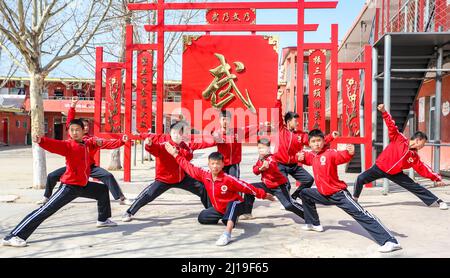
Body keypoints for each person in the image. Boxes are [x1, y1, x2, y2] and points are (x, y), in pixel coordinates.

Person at [2, 119, 118, 248]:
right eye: (71, 130)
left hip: (82, 185)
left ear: (83, 131)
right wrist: (41, 140)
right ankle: (14, 236)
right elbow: (54, 145)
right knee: (45, 210)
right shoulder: (69, 145)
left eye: (77, 130)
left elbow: (103, 143)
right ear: (68, 132)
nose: (74, 133)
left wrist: (120, 141)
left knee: (101, 190)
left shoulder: (86, 144)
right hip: (69, 187)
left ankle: (103, 220)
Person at [298, 129, 402, 253]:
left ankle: (390, 241)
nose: (316, 144)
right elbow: (305, 159)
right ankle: (314, 224)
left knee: (361, 214)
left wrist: (349, 153)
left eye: (319, 141)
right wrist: (300, 157)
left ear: (323, 141)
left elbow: (342, 156)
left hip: (338, 194)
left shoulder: (330, 153)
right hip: (323, 194)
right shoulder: (312, 156)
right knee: (305, 193)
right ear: (309, 144)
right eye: (313, 141)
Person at [165, 143, 275, 246]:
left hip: (237, 204)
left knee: (233, 205)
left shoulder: (228, 179)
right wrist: (175, 154)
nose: (215, 166)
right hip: (219, 209)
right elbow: (189, 167)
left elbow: (246, 187)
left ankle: (227, 234)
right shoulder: (205, 176)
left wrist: (263, 194)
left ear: (223, 164)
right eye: (212, 163)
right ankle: (227, 218)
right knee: (202, 218)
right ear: (208, 164)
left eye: (218, 163)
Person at [38, 96, 133, 206]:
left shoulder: (92, 140)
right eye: (83, 126)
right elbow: (70, 122)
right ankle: (46, 197)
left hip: (90, 167)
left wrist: (121, 141)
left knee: (108, 176)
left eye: (87, 126)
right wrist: (73, 106)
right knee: (52, 176)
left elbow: (107, 143)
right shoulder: (72, 138)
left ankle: (121, 198)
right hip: (74, 168)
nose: (86, 128)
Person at [353, 104, 447, 210]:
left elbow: (422, 168)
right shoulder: (399, 138)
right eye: (423, 143)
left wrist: (437, 178)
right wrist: (384, 112)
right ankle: (355, 200)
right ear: (418, 140)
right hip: (379, 168)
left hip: (395, 173)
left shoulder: (414, 156)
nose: (423, 146)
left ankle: (438, 201)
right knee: (360, 178)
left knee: (415, 186)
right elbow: (391, 125)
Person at [122, 121, 215, 222]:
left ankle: (211, 211)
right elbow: (154, 149)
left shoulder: (185, 145)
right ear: (170, 133)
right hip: (164, 179)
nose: (176, 135)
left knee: (203, 188)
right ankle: (129, 212)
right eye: (174, 133)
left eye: (179, 133)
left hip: (182, 178)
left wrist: (181, 151)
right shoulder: (164, 144)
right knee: (148, 195)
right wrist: (148, 145)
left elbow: (189, 156)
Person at [274, 89, 339, 199]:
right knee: (286, 184)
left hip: (294, 165)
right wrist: (278, 99)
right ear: (288, 121)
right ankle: (287, 200)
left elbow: (316, 141)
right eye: (295, 121)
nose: (298, 123)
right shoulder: (281, 130)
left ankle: (294, 197)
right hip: (280, 164)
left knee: (309, 180)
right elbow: (277, 114)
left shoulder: (301, 135)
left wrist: (331, 136)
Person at [243, 138, 305, 221]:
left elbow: (272, 165)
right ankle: (247, 213)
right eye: (259, 148)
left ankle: (309, 215)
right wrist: (261, 168)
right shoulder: (261, 158)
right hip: (267, 185)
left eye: (263, 148)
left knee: (289, 205)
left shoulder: (271, 158)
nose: (261, 150)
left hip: (279, 186)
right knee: (249, 189)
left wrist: (265, 166)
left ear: (269, 148)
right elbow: (255, 170)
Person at [211, 110, 270, 178]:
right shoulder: (217, 133)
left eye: (227, 119)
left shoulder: (237, 132)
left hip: (234, 164)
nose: (225, 121)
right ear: (219, 120)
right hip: (222, 163)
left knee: (234, 183)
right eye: (223, 119)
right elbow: (211, 136)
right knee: (221, 183)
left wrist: (263, 125)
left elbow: (250, 128)